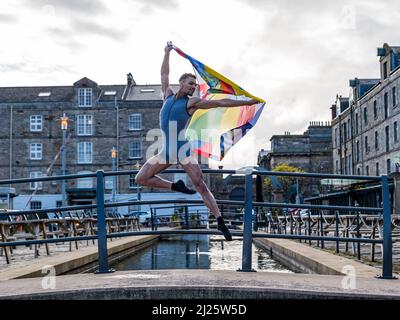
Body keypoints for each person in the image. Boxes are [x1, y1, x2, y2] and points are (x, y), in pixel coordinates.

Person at [135, 42, 259, 241]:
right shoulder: (167, 95)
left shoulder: (191, 103)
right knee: (140, 178)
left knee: (201, 185)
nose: (194, 87)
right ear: (181, 83)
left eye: (195, 84)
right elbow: (164, 75)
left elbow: (219, 102)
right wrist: (167, 53)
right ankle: (175, 187)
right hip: (166, 152)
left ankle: (220, 222)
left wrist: (246, 101)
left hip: (182, 151)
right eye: (190, 84)